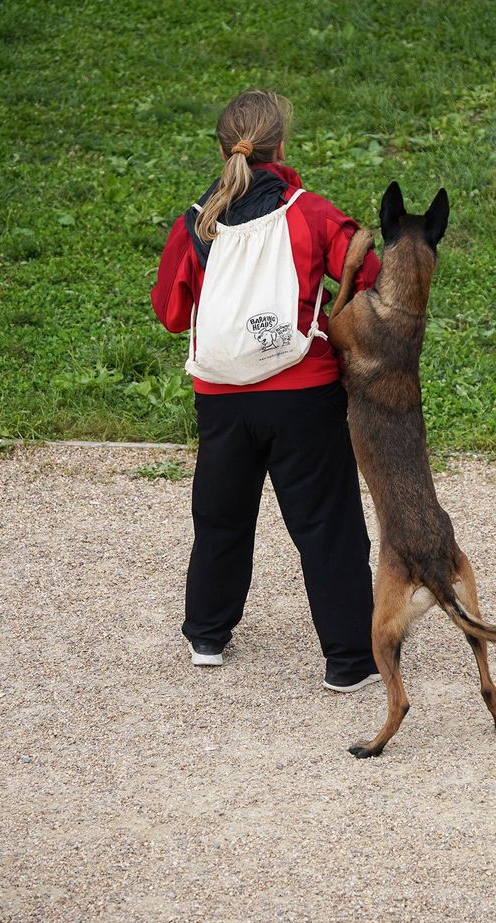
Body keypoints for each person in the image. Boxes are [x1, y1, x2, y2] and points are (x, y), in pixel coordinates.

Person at [151, 89, 381, 692]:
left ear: (225, 148)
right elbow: (371, 273)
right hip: (302, 390)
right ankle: (350, 660)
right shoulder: (312, 213)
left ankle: (206, 634)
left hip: (220, 395)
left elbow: (170, 313)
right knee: (326, 523)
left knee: (221, 516)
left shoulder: (195, 221)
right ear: (281, 147)